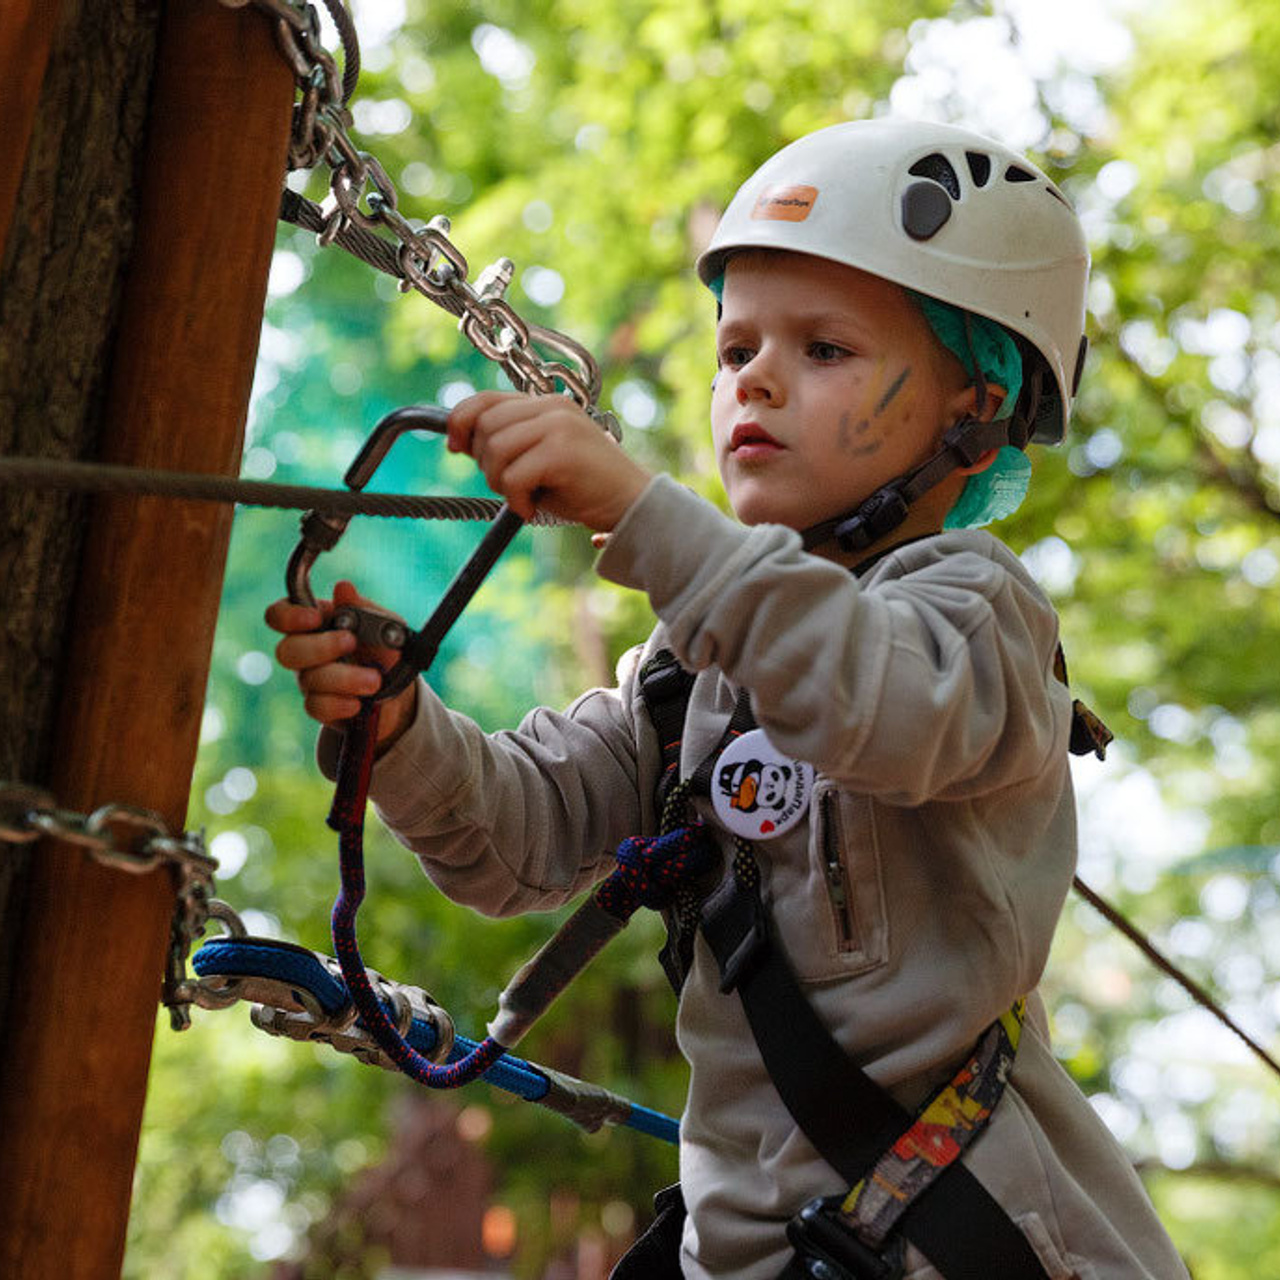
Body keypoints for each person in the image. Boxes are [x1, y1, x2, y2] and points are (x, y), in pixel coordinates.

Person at [268, 120, 1190, 1279]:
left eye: (823, 349)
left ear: (973, 403)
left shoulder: (977, 615)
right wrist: (400, 731)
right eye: (735, 346)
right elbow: (514, 839)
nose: (751, 377)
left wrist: (642, 515)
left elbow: (870, 699)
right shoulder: (682, 674)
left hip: (979, 1244)